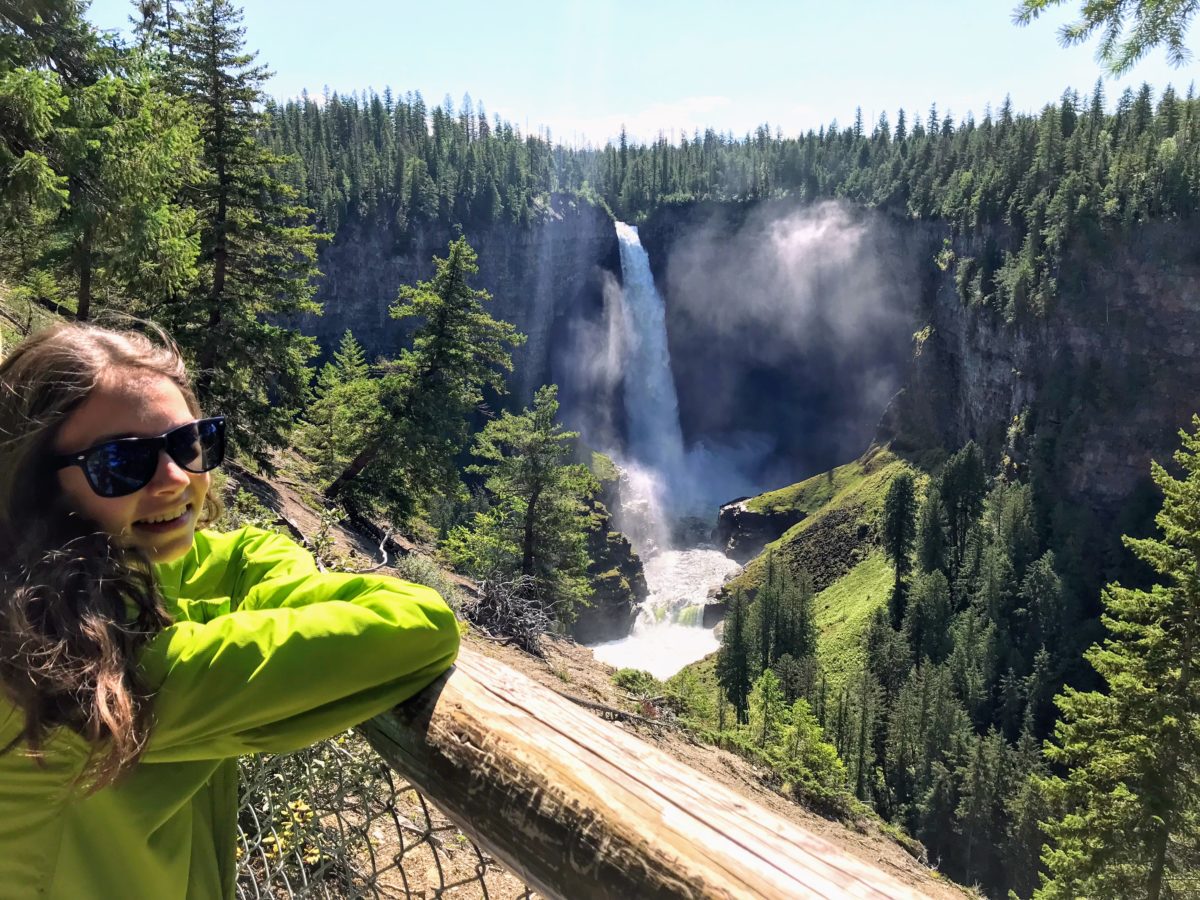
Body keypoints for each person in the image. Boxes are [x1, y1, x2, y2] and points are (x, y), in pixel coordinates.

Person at [0, 322, 461, 899]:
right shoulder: (84, 675)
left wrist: (272, 579)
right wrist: (295, 593)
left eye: (189, 444)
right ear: (38, 487)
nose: (174, 478)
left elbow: (239, 553)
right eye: (121, 462)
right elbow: (420, 623)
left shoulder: (44, 595)